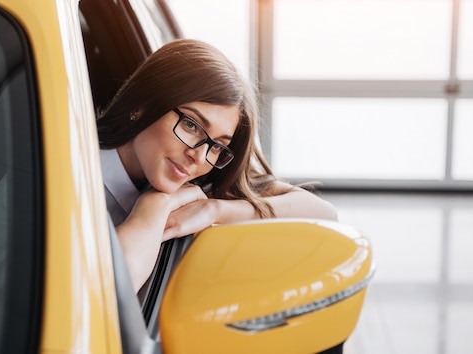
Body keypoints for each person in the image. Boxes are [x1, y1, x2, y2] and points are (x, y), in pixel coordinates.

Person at [96, 38, 337, 291]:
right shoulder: (68, 174)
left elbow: (322, 211)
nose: (199, 157)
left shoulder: (200, 182)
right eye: (191, 125)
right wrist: (153, 207)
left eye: (217, 145)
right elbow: (107, 291)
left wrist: (214, 210)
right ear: (142, 104)